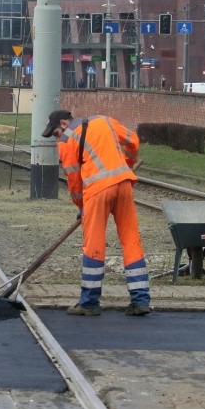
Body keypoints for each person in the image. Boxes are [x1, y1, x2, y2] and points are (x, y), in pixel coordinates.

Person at [41, 109, 152, 316]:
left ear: (64, 124)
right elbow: (133, 142)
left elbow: (74, 182)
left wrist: (81, 207)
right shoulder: (104, 121)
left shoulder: (67, 141)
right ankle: (141, 301)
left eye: (55, 133)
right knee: (131, 240)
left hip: (97, 192)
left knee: (94, 244)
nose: (57, 138)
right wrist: (125, 166)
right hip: (124, 184)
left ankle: (90, 303)